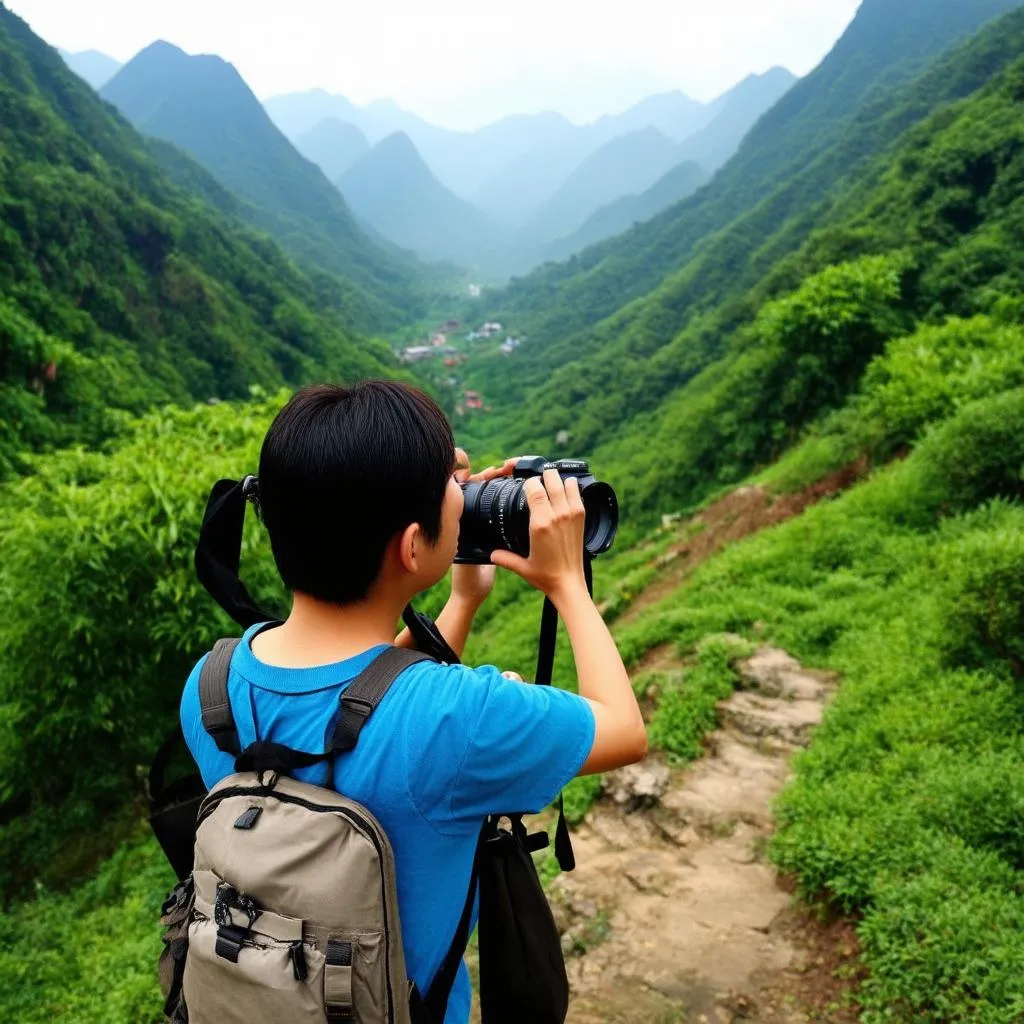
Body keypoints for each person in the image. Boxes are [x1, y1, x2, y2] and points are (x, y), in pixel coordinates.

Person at [179, 380, 647, 1024]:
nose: (464, 493)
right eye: (450, 492)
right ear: (410, 546)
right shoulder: (463, 719)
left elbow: (362, 700)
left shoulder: (210, 687)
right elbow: (624, 729)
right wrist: (568, 584)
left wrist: (462, 602)